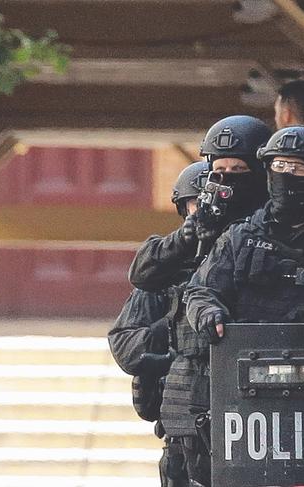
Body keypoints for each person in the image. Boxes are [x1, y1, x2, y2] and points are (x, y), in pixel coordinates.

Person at [185, 125, 304, 347]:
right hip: (246, 362)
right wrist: (207, 312)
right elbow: (201, 290)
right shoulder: (240, 235)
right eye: (279, 165)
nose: (285, 175)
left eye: (296, 168)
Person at [108, 161, 209, 487]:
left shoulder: (244, 251)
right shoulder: (163, 271)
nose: (205, 210)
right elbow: (125, 346)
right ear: (183, 207)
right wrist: (169, 330)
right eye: (197, 202)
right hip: (182, 428)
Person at [129, 115, 272, 292]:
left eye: (238, 169)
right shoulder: (209, 218)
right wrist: (183, 239)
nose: (227, 177)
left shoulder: (275, 219)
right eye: (220, 170)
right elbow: (141, 276)